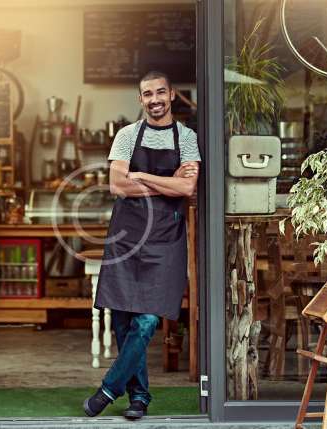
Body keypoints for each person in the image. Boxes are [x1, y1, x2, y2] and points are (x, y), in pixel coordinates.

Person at [83, 71, 200, 420]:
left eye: (160, 92)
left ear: (172, 94)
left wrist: (143, 176)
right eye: (147, 94)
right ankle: (139, 397)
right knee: (122, 320)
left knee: (147, 320)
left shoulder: (187, 138)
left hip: (166, 241)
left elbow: (187, 190)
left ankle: (108, 389)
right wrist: (166, 182)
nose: (154, 99)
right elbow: (118, 186)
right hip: (127, 238)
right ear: (141, 99)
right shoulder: (127, 136)